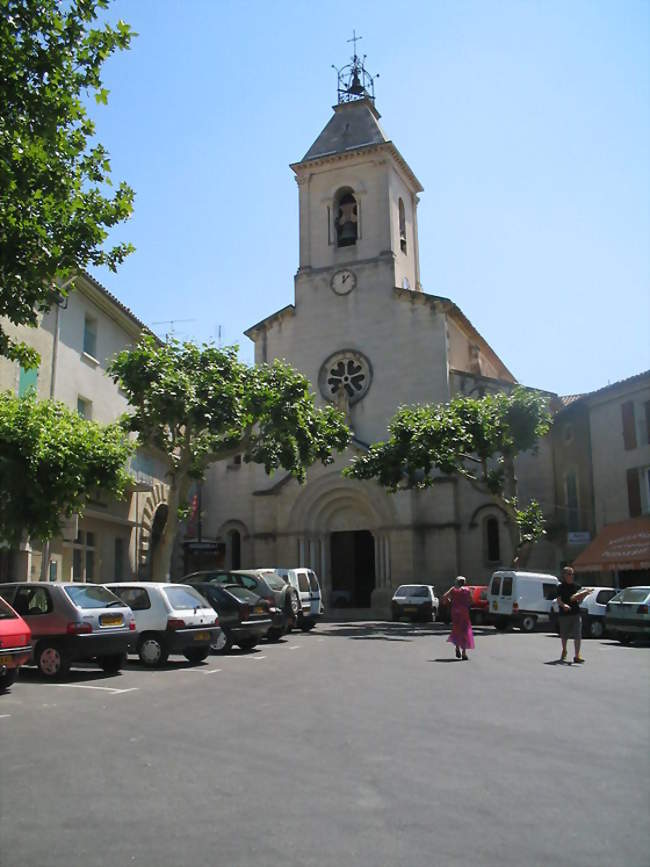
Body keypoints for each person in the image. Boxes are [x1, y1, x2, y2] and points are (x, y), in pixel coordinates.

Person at [554, 566, 592, 663]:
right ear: (565, 575)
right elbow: (558, 600)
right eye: (569, 574)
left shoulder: (577, 586)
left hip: (576, 613)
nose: (572, 576)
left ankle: (577, 655)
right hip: (564, 614)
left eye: (572, 574)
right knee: (564, 635)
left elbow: (579, 601)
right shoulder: (560, 587)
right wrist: (564, 605)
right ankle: (564, 650)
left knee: (577, 635)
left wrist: (583, 596)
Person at [442, 576, 475, 660]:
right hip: (464, 612)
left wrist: (450, 602)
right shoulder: (467, 590)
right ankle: (464, 653)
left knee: (457, 629)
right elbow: (472, 601)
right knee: (464, 631)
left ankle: (457, 648)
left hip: (455, 612)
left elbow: (444, 597)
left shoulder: (453, 589)